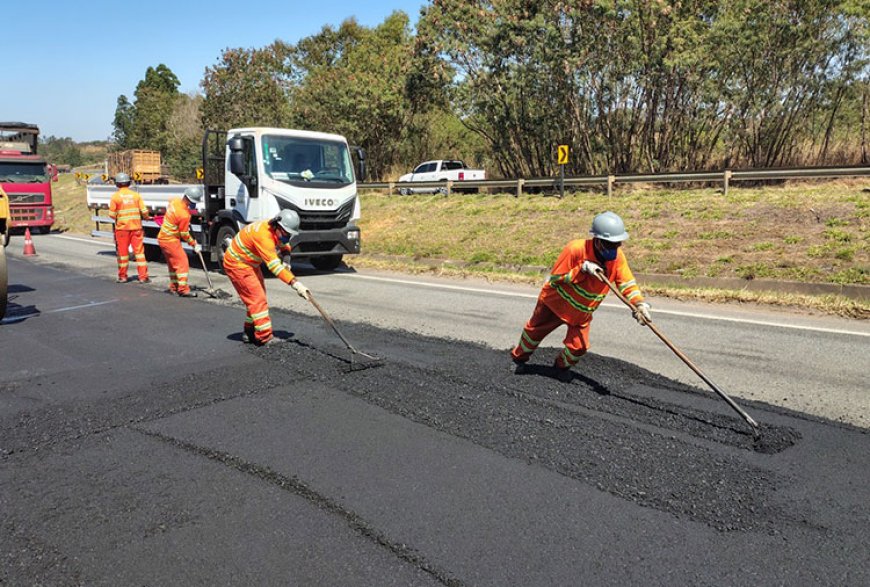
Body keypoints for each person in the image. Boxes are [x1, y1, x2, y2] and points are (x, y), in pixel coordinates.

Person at [510, 211, 652, 382]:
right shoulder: (575, 249)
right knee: (534, 333)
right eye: (610, 244)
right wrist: (581, 269)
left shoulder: (617, 258)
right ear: (597, 240)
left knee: (579, 347)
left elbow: (627, 283)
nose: (614, 248)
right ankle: (518, 358)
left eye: (617, 244)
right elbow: (555, 279)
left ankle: (560, 367)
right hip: (555, 304)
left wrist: (639, 304)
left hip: (581, 313)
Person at [222, 210, 311, 346]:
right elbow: (275, 267)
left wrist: (286, 258)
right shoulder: (264, 237)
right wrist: (296, 284)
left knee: (256, 297)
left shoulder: (274, 230)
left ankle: (249, 331)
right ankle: (264, 337)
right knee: (257, 299)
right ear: (277, 226)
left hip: (249, 263)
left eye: (290, 235)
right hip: (237, 264)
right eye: (286, 234)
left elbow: (284, 245)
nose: (287, 238)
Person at [158, 185, 203, 297]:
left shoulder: (174, 201)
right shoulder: (184, 215)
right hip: (171, 239)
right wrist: (194, 244)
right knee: (182, 262)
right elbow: (184, 234)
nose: (194, 204)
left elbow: (171, 205)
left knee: (172, 264)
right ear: (189, 200)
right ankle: (183, 289)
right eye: (194, 202)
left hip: (162, 237)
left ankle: (174, 286)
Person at [108, 172, 151, 283]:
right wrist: (146, 217)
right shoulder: (136, 195)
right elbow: (145, 211)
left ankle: (123, 276)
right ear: (129, 182)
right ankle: (143, 277)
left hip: (122, 229)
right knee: (140, 253)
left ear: (117, 184)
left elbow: (112, 215)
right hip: (136, 228)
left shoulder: (115, 197)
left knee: (123, 254)